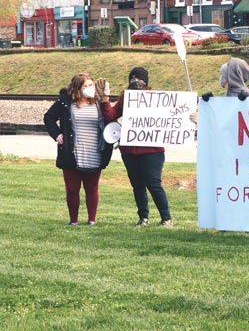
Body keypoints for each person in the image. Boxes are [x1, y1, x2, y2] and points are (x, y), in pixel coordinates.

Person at [97, 67, 174, 228]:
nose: (135, 81)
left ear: (146, 82)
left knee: (153, 183)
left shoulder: (155, 99)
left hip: (152, 150)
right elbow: (110, 115)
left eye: (139, 78)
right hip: (130, 150)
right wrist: (104, 98)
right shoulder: (125, 99)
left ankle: (166, 218)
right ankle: (143, 217)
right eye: (132, 78)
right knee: (137, 185)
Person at [44, 73, 113, 226]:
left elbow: (110, 119)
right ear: (77, 88)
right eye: (86, 86)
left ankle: (91, 220)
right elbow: (48, 118)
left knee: (92, 188)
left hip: (94, 151)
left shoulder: (97, 103)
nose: (90, 88)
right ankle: (73, 220)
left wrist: (105, 99)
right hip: (72, 152)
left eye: (91, 85)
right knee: (72, 189)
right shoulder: (65, 102)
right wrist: (57, 134)